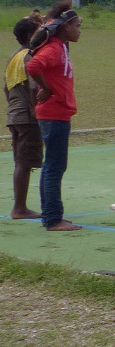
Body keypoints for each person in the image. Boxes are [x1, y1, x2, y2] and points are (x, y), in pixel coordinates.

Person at [24, 3, 82, 232]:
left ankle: (51, 214)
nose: (79, 31)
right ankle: (53, 219)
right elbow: (33, 66)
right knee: (55, 166)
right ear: (66, 26)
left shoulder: (61, 47)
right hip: (54, 113)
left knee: (52, 165)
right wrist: (46, 88)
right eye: (77, 26)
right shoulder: (54, 48)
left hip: (57, 112)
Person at [6, 17, 41, 220]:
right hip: (27, 116)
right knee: (25, 162)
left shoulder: (13, 57)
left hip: (14, 114)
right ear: (30, 35)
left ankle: (19, 206)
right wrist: (36, 110)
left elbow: (6, 87)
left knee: (20, 161)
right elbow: (34, 86)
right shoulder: (29, 56)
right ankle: (19, 208)